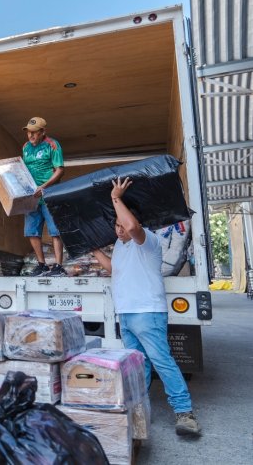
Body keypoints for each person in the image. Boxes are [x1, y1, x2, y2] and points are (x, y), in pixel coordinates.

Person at [92, 177, 201, 436]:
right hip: (127, 314)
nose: (119, 229)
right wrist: (95, 250)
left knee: (162, 362)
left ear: (136, 223)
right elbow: (114, 269)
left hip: (147, 313)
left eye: (123, 225)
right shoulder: (120, 245)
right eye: (116, 225)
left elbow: (131, 225)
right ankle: (140, 412)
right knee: (137, 366)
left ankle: (185, 414)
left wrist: (116, 198)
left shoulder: (147, 240)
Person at [21, 117, 66, 276]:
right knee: (31, 231)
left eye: (34, 133)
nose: (31, 136)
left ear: (43, 132)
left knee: (55, 231)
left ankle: (58, 266)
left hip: (49, 194)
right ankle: (42, 264)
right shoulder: (26, 147)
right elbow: (23, 170)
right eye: (28, 132)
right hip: (32, 197)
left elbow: (60, 170)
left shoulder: (52, 145)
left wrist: (44, 187)